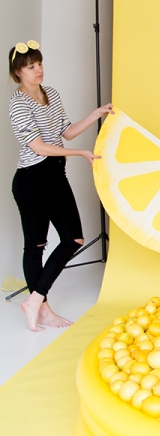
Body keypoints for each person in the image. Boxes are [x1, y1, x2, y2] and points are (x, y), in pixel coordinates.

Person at [8, 40, 113, 331]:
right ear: (18, 72)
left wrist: (95, 115)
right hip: (32, 180)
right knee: (36, 246)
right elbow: (39, 147)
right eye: (31, 67)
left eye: (39, 63)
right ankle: (42, 308)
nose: (38, 70)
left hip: (55, 176)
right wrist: (79, 153)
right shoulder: (17, 104)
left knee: (73, 239)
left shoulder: (50, 93)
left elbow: (65, 132)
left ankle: (35, 300)